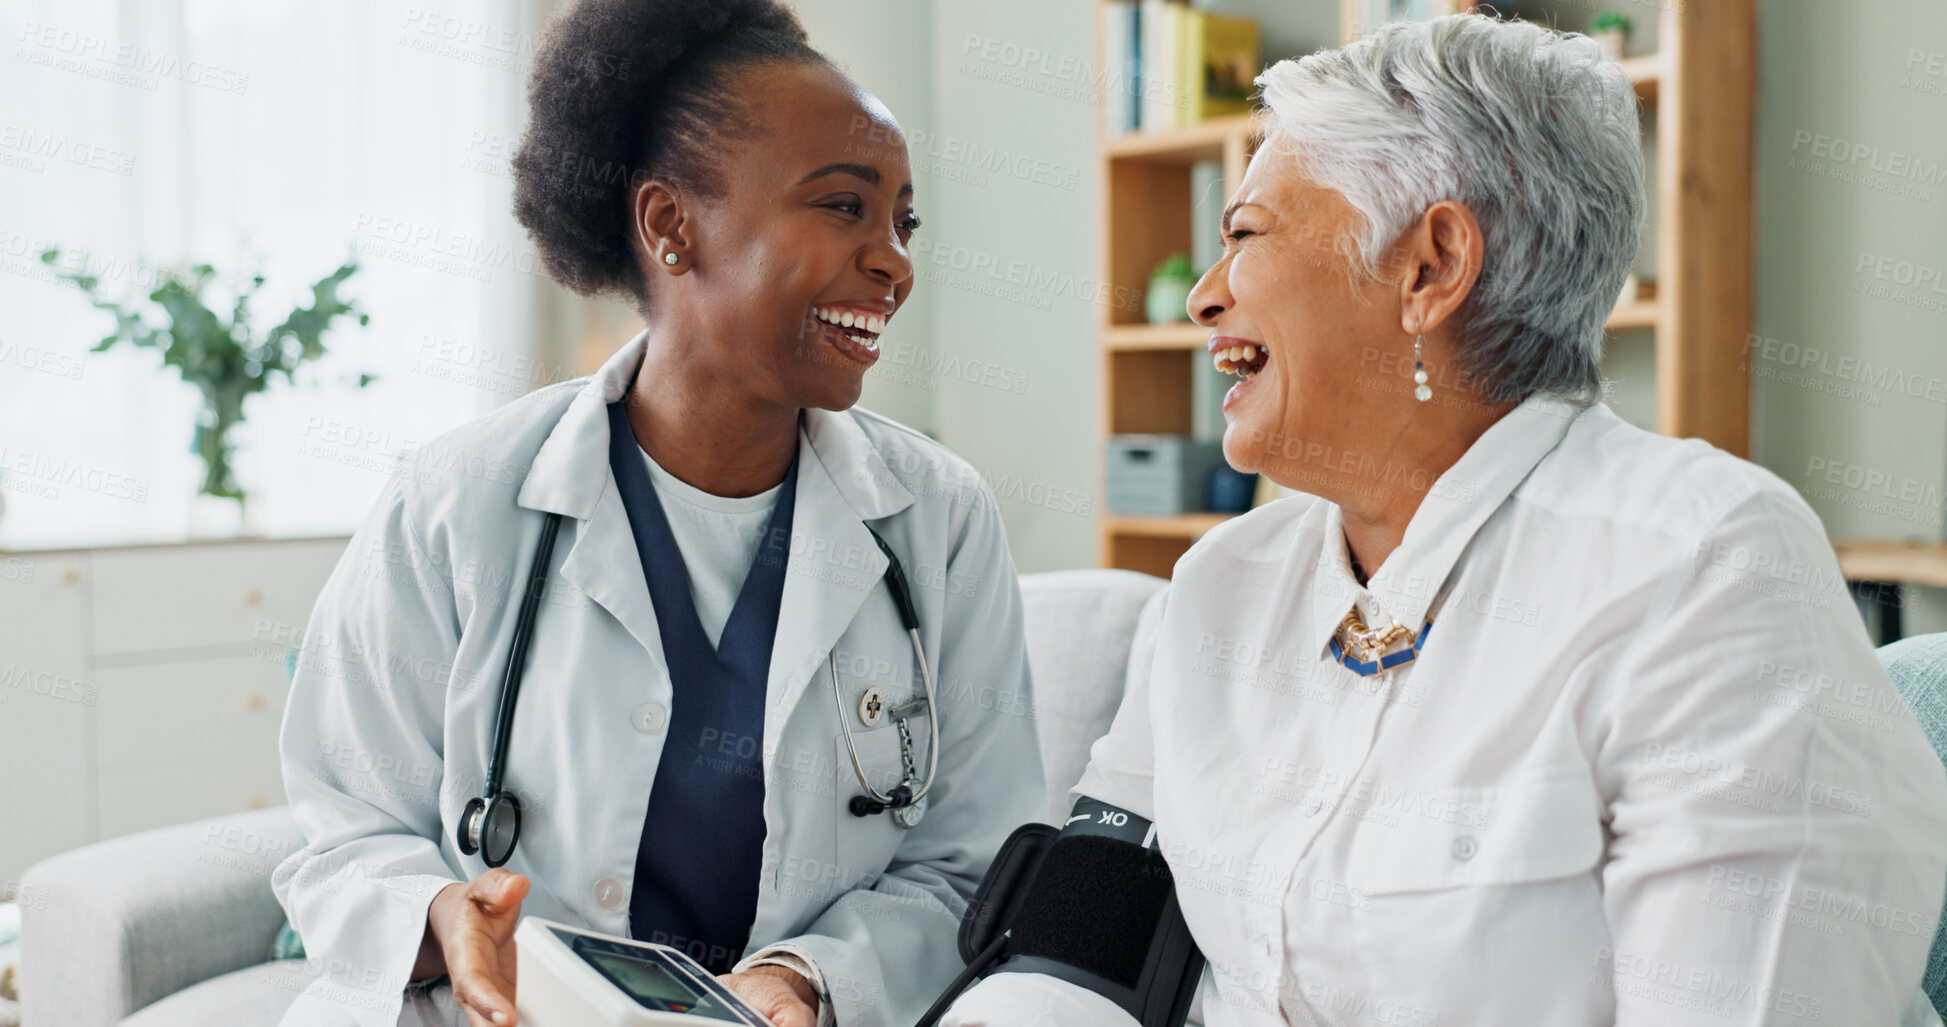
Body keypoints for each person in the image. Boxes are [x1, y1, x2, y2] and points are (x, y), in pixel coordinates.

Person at [944, 13, 1947, 1026]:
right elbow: (1083, 950)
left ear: (1430, 265)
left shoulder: (1704, 570)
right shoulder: (1223, 582)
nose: (1203, 299)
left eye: (1245, 235)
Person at [272, 2, 1045, 1025]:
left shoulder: (938, 521)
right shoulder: (455, 500)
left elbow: (973, 867)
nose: (895, 262)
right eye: (845, 208)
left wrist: (805, 979)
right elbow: (347, 824)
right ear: (671, 226)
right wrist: (441, 915)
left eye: (903, 222)